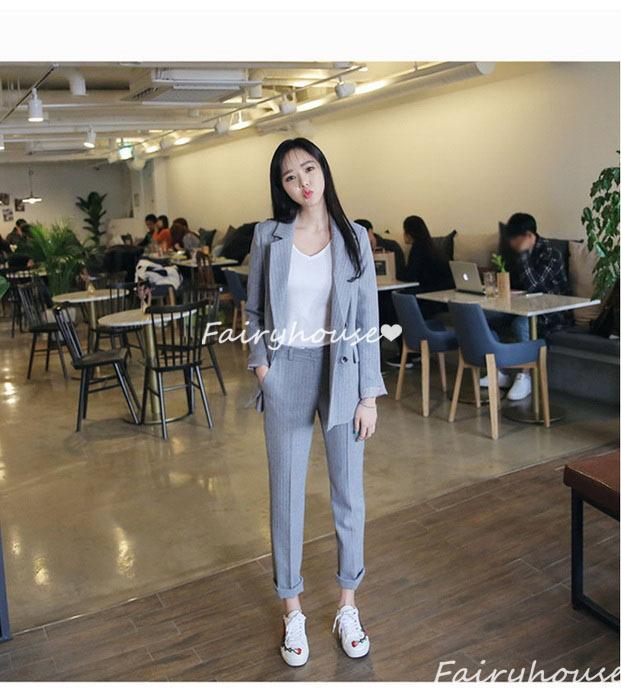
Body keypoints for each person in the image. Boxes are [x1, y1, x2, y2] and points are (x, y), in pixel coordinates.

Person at [246, 137, 386, 667]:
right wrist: (263, 368)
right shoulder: (269, 236)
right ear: (280, 187)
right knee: (286, 495)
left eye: (309, 168)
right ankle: (293, 610)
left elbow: (368, 319)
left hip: (343, 371)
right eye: (289, 176)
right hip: (287, 372)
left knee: (349, 493)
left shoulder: (355, 237)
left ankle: (348, 605)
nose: (303, 182)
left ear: (323, 170)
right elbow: (253, 310)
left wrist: (369, 395)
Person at [481, 212, 572, 401]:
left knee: (521, 324)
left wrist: (522, 256)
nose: (511, 243)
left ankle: (526, 375)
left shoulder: (551, 253)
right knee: (486, 317)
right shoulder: (514, 252)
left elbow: (534, 286)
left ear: (529, 236)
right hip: (523, 306)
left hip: (552, 311)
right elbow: (515, 285)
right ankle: (499, 371)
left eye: (515, 239)